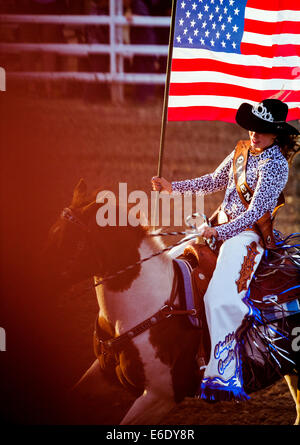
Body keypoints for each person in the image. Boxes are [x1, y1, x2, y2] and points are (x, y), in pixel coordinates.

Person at [151, 99, 299, 401]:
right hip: (218, 228)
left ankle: (225, 372)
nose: (254, 133)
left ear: (276, 134)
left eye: (262, 130)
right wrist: (172, 187)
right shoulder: (241, 151)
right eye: (253, 127)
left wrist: (219, 232)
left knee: (219, 298)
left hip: (246, 238)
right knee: (168, 264)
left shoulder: (276, 165)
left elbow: (254, 212)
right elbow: (213, 181)